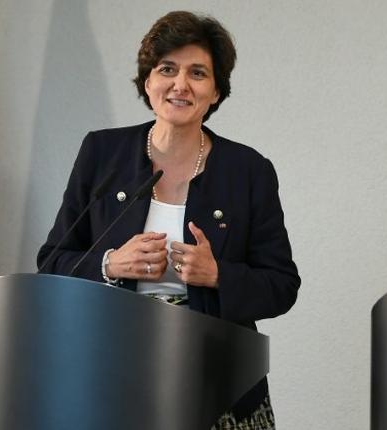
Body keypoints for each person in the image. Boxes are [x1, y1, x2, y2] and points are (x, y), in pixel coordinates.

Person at [37, 11, 299, 430]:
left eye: (198, 73)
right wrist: (109, 264)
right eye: (167, 69)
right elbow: (51, 260)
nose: (180, 85)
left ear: (216, 91)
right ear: (148, 82)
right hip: (114, 378)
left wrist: (218, 275)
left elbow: (283, 285)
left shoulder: (249, 170)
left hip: (218, 383)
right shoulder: (102, 154)